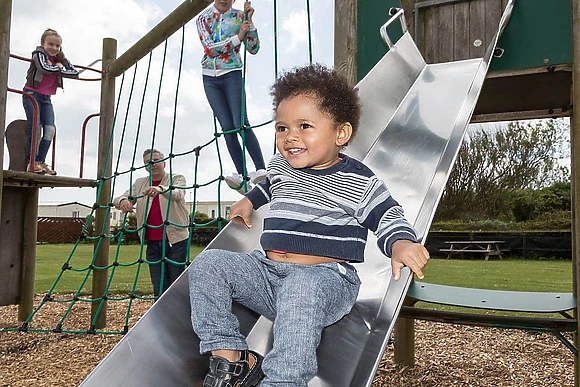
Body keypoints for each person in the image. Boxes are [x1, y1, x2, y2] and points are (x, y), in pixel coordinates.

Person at [188, 64, 430, 386]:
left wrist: (401, 243)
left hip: (326, 281)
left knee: (303, 287)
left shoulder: (358, 179)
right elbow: (267, 186)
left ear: (340, 134)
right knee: (210, 263)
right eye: (282, 128)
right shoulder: (279, 165)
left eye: (304, 126)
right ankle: (233, 356)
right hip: (269, 274)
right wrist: (248, 201)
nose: (290, 138)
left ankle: (284, 380)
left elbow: (387, 213)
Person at [196, 0, 267, 194]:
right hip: (210, 77)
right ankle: (242, 176)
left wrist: (249, 23)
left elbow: (253, 48)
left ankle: (261, 170)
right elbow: (210, 50)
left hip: (232, 73)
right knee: (227, 128)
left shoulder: (239, 16)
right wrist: (238, 37)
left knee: (241, 123)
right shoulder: (203, 19)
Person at [113, 149, 190, 298]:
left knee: (177, 283)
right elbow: (121, 197)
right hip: (153, 243)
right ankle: (161, 317)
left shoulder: (176, 178)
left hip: (176, 241)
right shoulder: (140, 183)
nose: (152, 164)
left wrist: (160, 189)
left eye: (155, 160)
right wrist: (123, 201)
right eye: (148, 162)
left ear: (164, 163)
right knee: (159, 285)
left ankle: (180, 317)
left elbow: (177, 193)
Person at [23, 28, 79, 175]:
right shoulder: (38, 54)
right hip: (31, 94)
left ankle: (41, 162)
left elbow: (74, 72)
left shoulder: (61, 59)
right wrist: (58, 68)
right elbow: (44, 68)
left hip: (46, 98)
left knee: (50, 130)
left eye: (57, 45)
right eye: (50, 44)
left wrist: (58, 67)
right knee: (35, 126)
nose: (54, 48)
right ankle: (32, 162)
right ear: (43, 43)